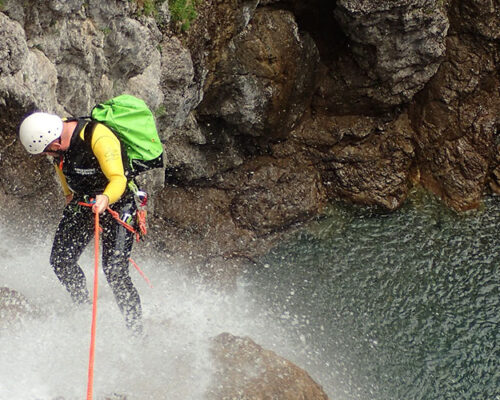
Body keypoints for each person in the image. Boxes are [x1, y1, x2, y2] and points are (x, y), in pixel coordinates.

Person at [18, 112, 143, 336]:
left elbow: (118, 178)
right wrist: (68, 194)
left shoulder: (97, 136)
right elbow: (62, 166)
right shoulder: (59, 146)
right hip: (83, 202)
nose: (48, 154)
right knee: (61, 261)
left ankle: (136, 331)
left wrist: (105, 199)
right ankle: (83, 307)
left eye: (48, 150)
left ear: (55, 142)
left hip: (118, 202)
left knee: (115, 271)